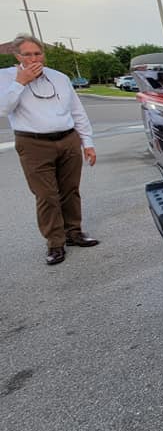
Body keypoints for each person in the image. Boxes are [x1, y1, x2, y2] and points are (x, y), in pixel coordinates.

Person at [1, 34, 99, 265]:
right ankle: (55, 243)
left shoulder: (60, 78)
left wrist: (88, 143)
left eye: (38, 53)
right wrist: (20, 82)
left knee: (70, 190)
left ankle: (74, 233)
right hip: (33, 143)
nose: (34, 58)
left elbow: (77, 112)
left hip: (67, 139)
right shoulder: (6, 78)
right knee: (46, 196)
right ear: (18, 56)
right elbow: (3, 109)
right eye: (27, 54)